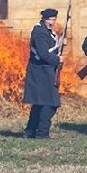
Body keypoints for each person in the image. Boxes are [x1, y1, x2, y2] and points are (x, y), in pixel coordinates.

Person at [23, 8, 63, 139]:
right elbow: (43, 54)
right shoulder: (39, 32)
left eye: (54, 19)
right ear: (43, 19)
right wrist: (58, 59)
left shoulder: (47, 31)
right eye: (49, 19)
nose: (52, 22)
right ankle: (42, 133)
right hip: (40, 71)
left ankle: (30, 131)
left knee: (40, 102)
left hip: (44, 70)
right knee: (52, 103)